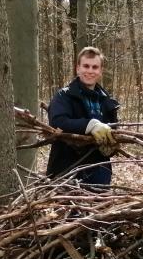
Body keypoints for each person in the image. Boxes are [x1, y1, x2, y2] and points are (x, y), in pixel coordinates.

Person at [46, 47, 121, 186]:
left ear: (100, 71)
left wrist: (111, 148)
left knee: (100, 207)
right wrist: (90, 125)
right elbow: (57, 122)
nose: (90, 71)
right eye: (86, 66)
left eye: (95, 67)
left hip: (100, 172)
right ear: (78, 68)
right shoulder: (64, 96)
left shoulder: (107, 102)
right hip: (68, 170)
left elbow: (114, 134)